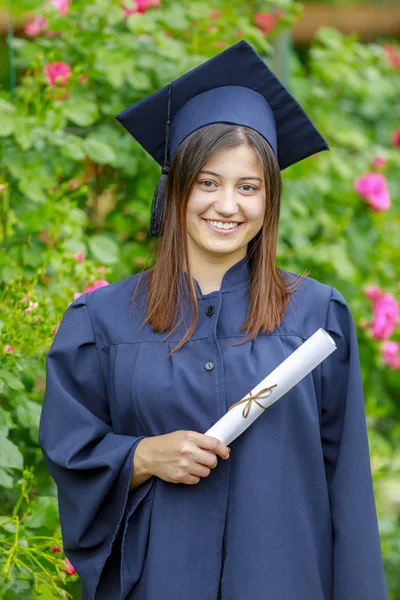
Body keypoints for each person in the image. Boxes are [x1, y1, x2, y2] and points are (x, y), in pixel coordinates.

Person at [38, 40, 388, 600]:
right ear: (175, 188)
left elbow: (345, 490)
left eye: (248, 187)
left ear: (268, 201)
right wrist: (141, 456)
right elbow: (69, 451)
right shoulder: (100, 323)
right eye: (208, 181)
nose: (227, 205)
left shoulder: (318, 316)